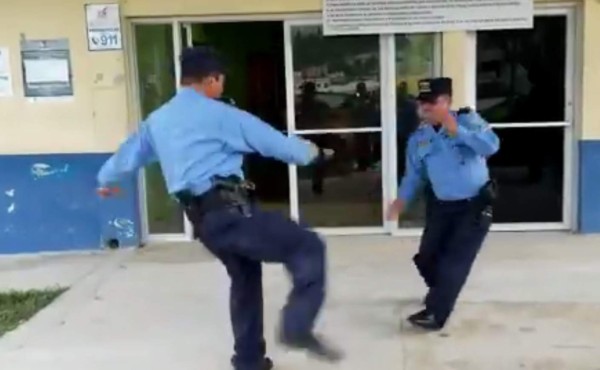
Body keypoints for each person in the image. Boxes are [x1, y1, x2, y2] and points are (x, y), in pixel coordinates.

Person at [96, 46, 342, 370]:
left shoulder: (158, 120)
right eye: (221, 80)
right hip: (232, 214)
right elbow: (273, 142)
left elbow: (126, 156)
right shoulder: (220, 115)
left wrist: (104, 178)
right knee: (307, 246)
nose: (222, 87)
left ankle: (249, 359)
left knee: (244, 277)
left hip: (204, 222)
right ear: (211, 79)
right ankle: (297, 327)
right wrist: (315, 154)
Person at [387, 77, 500, 331]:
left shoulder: (469, 122)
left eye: (432, 102)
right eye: (422, 103)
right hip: (441, 206)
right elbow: (414, 174)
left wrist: (456, 130)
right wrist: (401, 200)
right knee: (427, 258)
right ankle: (443, 293)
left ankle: (436, 313)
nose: (425, 108)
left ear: (447, 101)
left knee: (454, 262)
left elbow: (491, 146)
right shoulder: (419, 138)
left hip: (474, 206)